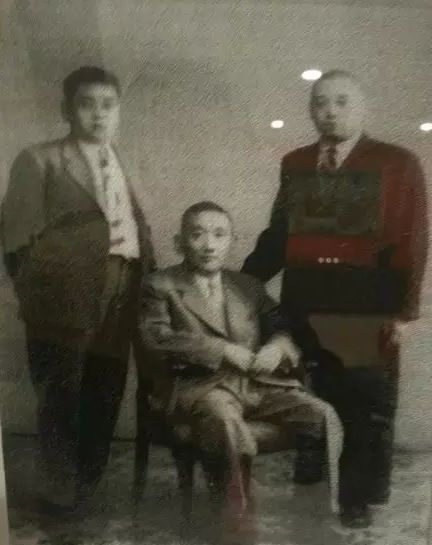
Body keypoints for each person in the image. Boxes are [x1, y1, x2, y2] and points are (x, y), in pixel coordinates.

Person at [242, 69, 429, 527]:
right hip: (304, 299)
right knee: (310, 396)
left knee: (362, 405)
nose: (330, 112)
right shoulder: (296, 162)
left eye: (342, 101)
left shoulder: (397, 162)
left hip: (364, 307)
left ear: (363, 108)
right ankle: (313, 478)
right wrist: (242, 281)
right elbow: (280, 234)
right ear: (310, 110)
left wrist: (403, 313)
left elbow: (413, 240)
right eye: (320, 102)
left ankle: (356, 498)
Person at [140, 201, 342, 544]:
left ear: (232, 242)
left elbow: (281, 325)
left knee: (322, 417)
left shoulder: (247, 285)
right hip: (200, 388)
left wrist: (277, 346)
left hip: (255, 385)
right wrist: (223, 350)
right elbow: (157, 339)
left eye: (219, 235)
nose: (209, 245)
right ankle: (236, 528)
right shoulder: (160, 285)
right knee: (225, 422)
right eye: (197, 234)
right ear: (179, 242)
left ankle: (317, 521)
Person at [1, 66, 156, 514]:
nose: (98, 115)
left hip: (124, 285)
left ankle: (88, 482)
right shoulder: (41, 160)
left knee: (106, 387)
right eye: (86, 104)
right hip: (63, 295)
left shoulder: (126, 161)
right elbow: (15, 239)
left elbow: (138, 225)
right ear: (66, 110)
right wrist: (38, 296)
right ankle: (58, 486)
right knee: (61, 392)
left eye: (108, 105)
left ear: (119, 111)